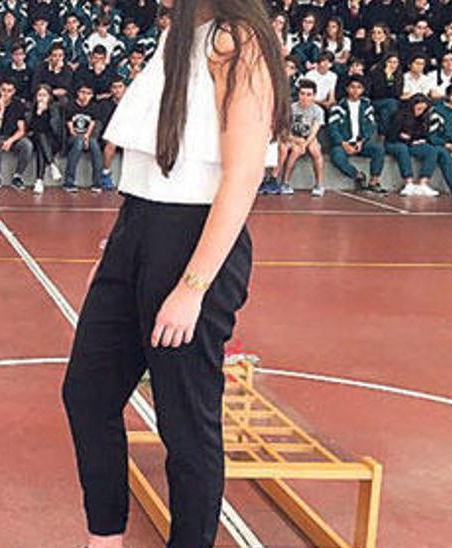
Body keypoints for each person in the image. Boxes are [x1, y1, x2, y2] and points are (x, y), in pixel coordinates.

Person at [65, 0, 288, 546]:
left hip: (194, 243)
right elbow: (156, 163)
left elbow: (240, 179)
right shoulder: (180, 34)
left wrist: (192, 286)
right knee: (87, 393)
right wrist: (121, 242)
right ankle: (105, 537)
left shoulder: (241, 44)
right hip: (137, 228)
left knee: (185, 425)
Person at [327, 77, 387, 194]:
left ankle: (374, 181)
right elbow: (333, 128)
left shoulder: (367, 106)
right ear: (347, 89)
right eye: (352, 87)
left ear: (363, 90)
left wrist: (362, 141)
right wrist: (343, 143)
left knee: (378, 149)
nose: (355, 90)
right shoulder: (338, 106)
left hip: (361, 143)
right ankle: (358, 176)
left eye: (359, 88)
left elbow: (371, 127)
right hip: (344, 143)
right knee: (336, 155)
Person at [276, 79, 326, 196]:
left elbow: (314, 131)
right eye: (302, 94)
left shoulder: (318, 111)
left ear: (314, 96)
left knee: (315, 150)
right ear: (298, 94)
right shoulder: (291, 108)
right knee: (296, 151)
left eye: (309, 95)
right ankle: (285, 183)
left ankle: (319, 184)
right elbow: (283, 131)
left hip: (308, 137)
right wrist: (296, 140)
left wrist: (305, 143)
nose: (305, 97)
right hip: (292, 137)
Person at [387, 94, 443, 197]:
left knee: (431, 150)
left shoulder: (424, 117)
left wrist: (418, 140)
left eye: (423, 109)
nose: (420, 111)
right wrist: (409, 139)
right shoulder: (400, 115)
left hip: (412, 143)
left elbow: (423, 135)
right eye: (418, 108)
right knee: (402, 149)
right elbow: (393, 135)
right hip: (395, 143)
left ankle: (423, 183)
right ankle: (408, 183)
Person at [0, 79, 32, 189]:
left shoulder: (18, 104)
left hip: (13, 138)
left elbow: (21, 130)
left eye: (9, 91)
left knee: (27, 144)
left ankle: (18, 176)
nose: (6, 94)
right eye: (3, 90)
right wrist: (1, 109)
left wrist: (10, 140)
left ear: (14, 91)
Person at [63, 82, 104, 192]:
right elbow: (71, 129)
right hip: (73, 138)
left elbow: (92, 124)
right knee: (78, 142)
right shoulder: (70, 106)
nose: (85, 96)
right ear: (78, 93)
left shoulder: (94, 107)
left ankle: (97, 183)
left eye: (89, 93)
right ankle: (69, 182)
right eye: (83, 92)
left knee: (94, 144)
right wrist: (81, 138)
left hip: (87, 137)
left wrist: (86, 137)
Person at [26, 83, 63, 194]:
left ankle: (39, 180)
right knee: (40, 139)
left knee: (41, 142)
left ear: (49, 97)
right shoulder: (31, 108)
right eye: (39, 95)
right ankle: (51, 166)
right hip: (37, 139)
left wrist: (46, 112)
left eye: (44, 95)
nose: (42, 98)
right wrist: (38, 113)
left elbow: (56, 129)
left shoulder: (55, 108)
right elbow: (31, 128)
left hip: (53, 140)